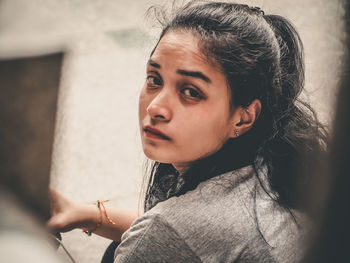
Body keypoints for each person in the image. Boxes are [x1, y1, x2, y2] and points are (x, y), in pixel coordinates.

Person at [48, 1, 327, 262]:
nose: (156, 107)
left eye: (191, 92)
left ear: (243, 117)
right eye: (154, 79)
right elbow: (193, 235)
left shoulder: (167, 231)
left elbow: (176, 234)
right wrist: (86, 214)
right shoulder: (277, 163)